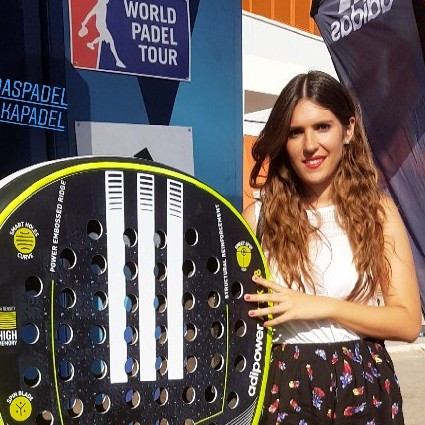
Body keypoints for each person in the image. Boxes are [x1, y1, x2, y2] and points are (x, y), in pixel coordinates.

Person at [242, 70, 421, 425]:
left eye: (322, 127)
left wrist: (320, 306)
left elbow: (407, 322)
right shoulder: (258, 217)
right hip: (282, 388)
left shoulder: (378, 214)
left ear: (348, 129)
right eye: (295, 132)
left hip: (364, 389)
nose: (310, 145)